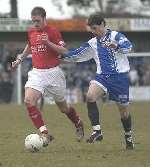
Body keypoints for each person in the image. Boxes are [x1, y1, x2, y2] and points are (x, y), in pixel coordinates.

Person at [45, 13, 134, 149]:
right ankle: (97, 131)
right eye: (91, 29)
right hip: (102, 77)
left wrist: (115, 46)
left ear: (103, 24)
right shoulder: (93, 43)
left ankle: (128, 137)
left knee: (124, 111)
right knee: (90, 96)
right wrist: (59, 56)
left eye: (95, 28)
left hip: (119, 78)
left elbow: (128, 47)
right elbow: (76, 54)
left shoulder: (116, 36)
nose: (93, 32)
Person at [11, 7, 84, 146]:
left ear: (44, 18)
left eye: (38, 21)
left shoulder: (53, 32)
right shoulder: (31, 31)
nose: (35, 24)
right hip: (37, 73)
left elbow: (65, 51)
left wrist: (48, 43)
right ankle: (45, 133)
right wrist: (20, 59)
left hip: (54, 74)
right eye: (33, 21)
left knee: (64, 108)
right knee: (28, 101)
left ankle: (78, 123)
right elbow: (30, 46)